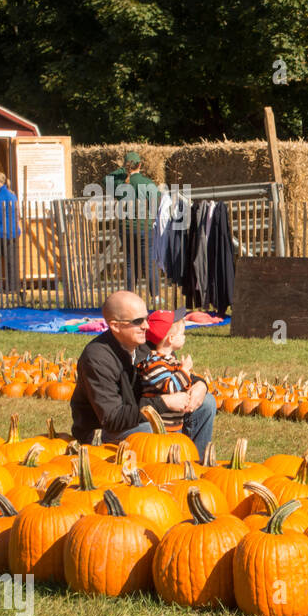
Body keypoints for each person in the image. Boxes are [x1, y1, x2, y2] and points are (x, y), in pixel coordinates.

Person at [70, 290, 215, 452]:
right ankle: (162, 467)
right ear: (115, 326)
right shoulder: (97, 358)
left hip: (145, 412)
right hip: (103, 430)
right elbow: (113, 419)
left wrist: (200, 386)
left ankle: (195, 464)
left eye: (146, 318)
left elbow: (172, 375)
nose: (146, 326)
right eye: (138, 321)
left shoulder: (147, 343)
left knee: (206, 403)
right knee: (147, 431)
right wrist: (165, 402)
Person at [136, 308, 206, 434]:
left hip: (174, 424)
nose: (184, 337)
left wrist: (196, 384)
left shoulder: (169, 360)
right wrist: (184, 370)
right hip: (161, 426)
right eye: (182, 333)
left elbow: (183, 383)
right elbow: (170, 386)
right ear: (171, 338)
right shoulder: (154, 363)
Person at [106, 152, 161, 298]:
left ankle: (130, 295)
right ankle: (155, 296)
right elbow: (157, 204)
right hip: (145, 228)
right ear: (140, 165)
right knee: (149, 263)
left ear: (126, 166)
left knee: (130, 263)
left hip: (126, 229)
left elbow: (107, 179)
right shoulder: (148, 183)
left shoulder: (120, 184)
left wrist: (122, 170)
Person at [0, 171, 21, 296]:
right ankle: (14, 287)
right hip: (14, 230)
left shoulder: (0, 195)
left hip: (4, 232)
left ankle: (10, 288)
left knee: (8, 260)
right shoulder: (12, 194)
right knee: (13, 260)